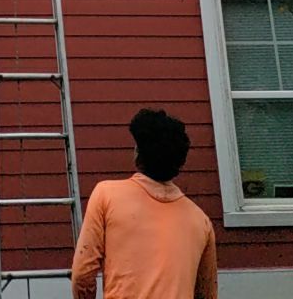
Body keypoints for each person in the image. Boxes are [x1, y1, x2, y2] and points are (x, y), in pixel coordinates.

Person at [71, 108, 217, 299]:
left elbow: (82, 274)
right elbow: (206, 294)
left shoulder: (106, 195)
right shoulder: (201, 221)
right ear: (179, 162)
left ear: (138, 154)